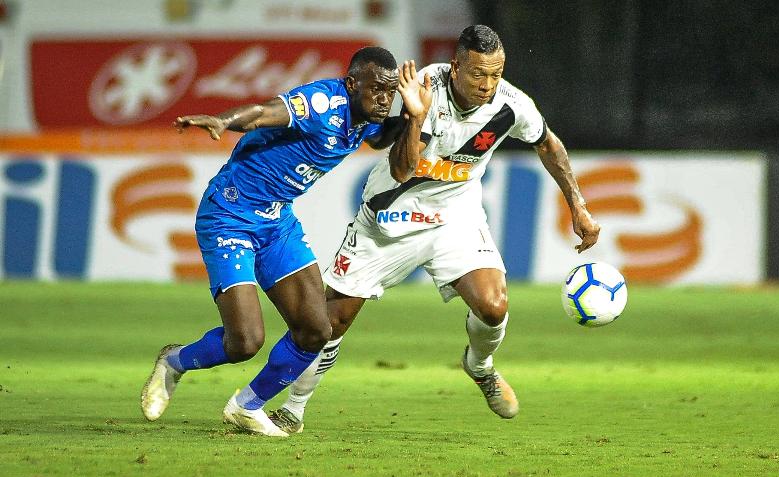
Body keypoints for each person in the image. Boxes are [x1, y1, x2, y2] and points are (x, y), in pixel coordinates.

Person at [265, 25, 601, 435]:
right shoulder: (427, 86)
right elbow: (401, 168)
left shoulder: (512, 105)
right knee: (332, 320)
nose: (488, 84)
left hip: (454, 218)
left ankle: (480, 366)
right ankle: (293, 408)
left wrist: (578, 206)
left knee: (494, 305)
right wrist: (418, 114)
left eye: (496, 74)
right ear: (456, 66)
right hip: (390, 217)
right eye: (479, 74)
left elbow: (548, 144)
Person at [140, 47, 433, 437]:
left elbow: (381, 142)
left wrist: (416, 115)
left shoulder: (366, 115)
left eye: (390, 91)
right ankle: (174, 361)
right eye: (377, 89)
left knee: (316, 329)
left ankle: (247, 405)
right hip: (229, 217)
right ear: (351, 84)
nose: (384, 99)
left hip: (277, 222)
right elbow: (263, 113)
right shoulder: (321, 101)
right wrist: (223, 120)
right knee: (245, 342)